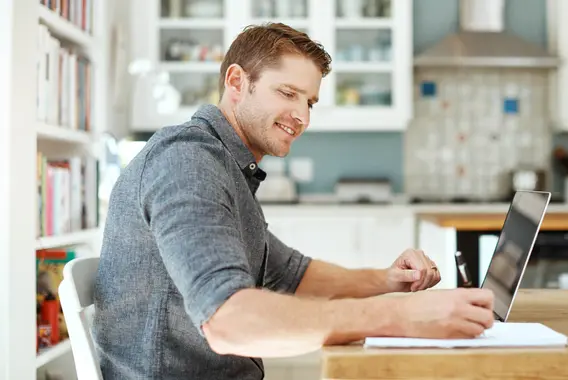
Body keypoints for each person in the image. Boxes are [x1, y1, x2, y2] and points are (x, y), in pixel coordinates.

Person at [92, 23, 495, 380]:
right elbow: (228, 322)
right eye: (287, 92)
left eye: (310, 102)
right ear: (236, 82)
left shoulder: (225, 164)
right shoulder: (187, 160)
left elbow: (290, 274)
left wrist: (390, 281)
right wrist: (402, 318)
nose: (301, 115)